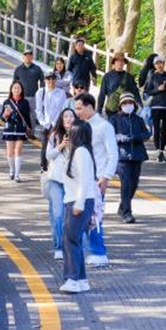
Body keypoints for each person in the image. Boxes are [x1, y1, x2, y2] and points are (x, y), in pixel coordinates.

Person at [74, 93, 117, 267]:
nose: (77, 112)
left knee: (94, 216)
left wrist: (106, 177)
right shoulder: (80, 126)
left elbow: (113, 154)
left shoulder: (104, 127)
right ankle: (85, 249)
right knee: (80, 215)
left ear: (90, 106)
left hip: (96, 179)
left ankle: (99, 252)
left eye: (79, 108)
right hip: (79, 178)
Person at [58, 118, 98, 294]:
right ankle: (81, 279)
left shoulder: (81, 152)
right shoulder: (77, 151)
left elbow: (85, 181)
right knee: (75, 239)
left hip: (78, 200)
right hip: (76, 199)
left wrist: (79, 204)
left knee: (70, 239)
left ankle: (72, 278)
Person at [110, 93, 150, 224]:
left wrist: (136, 137)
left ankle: (122, 206)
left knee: (133, 185)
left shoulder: (138, 119)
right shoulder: (114, 118)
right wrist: (121, 138)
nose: (128, 105)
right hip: (122, 156)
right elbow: (110, 134)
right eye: (125, 103)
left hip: (137, 155)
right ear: (120, 105)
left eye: (130, 103)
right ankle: (127, 213)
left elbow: (147, 134)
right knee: (126, 184)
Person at [45, 108, 77, 261]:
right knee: (58, 215)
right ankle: (58, 247)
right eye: (66, 116)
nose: (69, 119)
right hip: (55, 180)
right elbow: (48, 155)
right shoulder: (54, 135)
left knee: (71, 216)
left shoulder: (79, 135)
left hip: (72, 181)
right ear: (61, 119)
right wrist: (61, 146)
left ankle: (71, 245)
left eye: (72, 116)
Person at [144, 55, 166, 162]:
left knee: (165, 130)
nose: (159, 65)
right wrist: (158, 89)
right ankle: (158, 150)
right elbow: (148, 91)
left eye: (161, 63)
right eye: (157, 63)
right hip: (156, 106)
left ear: (164, 64)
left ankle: (161, 150)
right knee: (156, 129)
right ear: (154, 65)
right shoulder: (152, 76)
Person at [36, 72, 70, 172]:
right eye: (48, 79)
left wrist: (60, 122)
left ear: (56, 80)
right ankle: (44, 166)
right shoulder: (40, 92)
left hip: (57, 123)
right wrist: (42, 122)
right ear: (45, 80)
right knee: (45, 146)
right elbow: (38, 109)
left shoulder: (61, 92)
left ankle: (56, 166)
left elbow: (63, 109)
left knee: (58, 145)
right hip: (46, 124)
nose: (50, 81)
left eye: (53, 79)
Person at [1, 81, 34, 181]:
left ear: (21, 90)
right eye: (14, 88)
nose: (16, 90)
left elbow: (27, 117)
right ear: (11, 90)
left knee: (18, 151)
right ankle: (12, 170)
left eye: (18, 88)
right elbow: (2, 117)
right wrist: (5, 115)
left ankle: (17, 174)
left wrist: (30, 129)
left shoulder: (25, 102)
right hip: (9, 129)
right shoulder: (6, 102)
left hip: (20, 129)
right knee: (10, 152)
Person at [97, 52, 139, 117]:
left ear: (124, 63)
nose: (120, 63)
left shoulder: (129, 77)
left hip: (125, 109)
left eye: (122, 61)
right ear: (114, 62)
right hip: (112, 109)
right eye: (118, 60)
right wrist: (99, 110)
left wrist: (140, 106)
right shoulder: (107, 76)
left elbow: (135, 93)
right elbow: (102, 94)